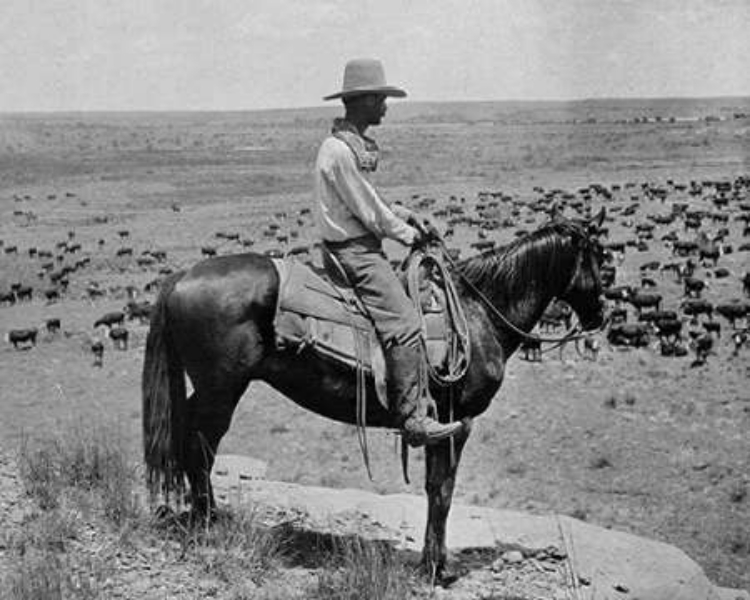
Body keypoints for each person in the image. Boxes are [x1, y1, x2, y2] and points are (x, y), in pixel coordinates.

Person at [314, 58, 463, 447]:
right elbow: (369, 213)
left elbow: (370, 201)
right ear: (363, 101)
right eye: (381, 98)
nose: (385, 105)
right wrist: (408, 235)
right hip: (355, 254)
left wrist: (407, 215)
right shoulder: (340, 153)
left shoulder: (345, 146)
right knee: (406, 322)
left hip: (358, 245)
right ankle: (413, 418)